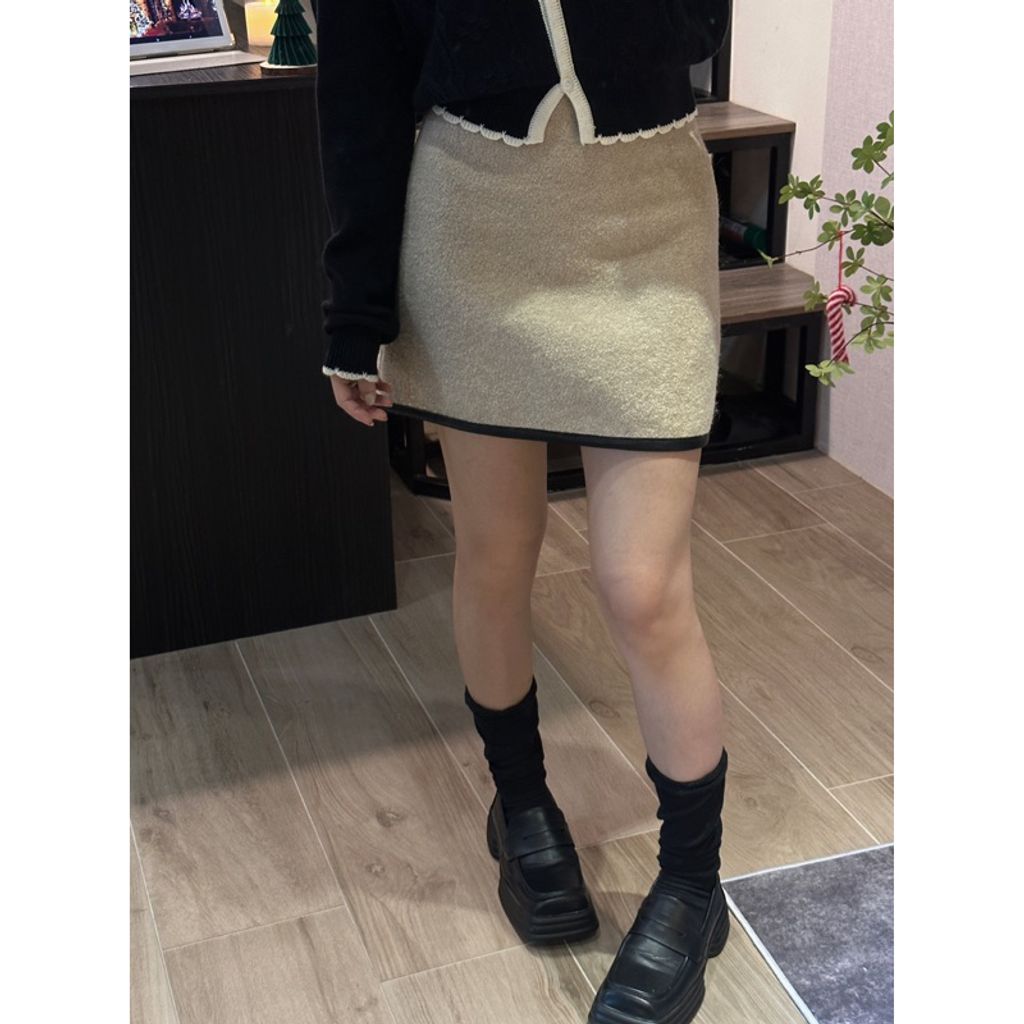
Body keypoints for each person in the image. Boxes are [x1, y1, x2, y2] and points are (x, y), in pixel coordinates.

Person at [314, 4, 732, 1023]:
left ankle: (692, 882)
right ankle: (524, 801)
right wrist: (354, 313)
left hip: (648, 224)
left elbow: (692, 27)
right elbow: (361, 93)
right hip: (474, 224)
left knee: (642, 585)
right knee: (495, 553)